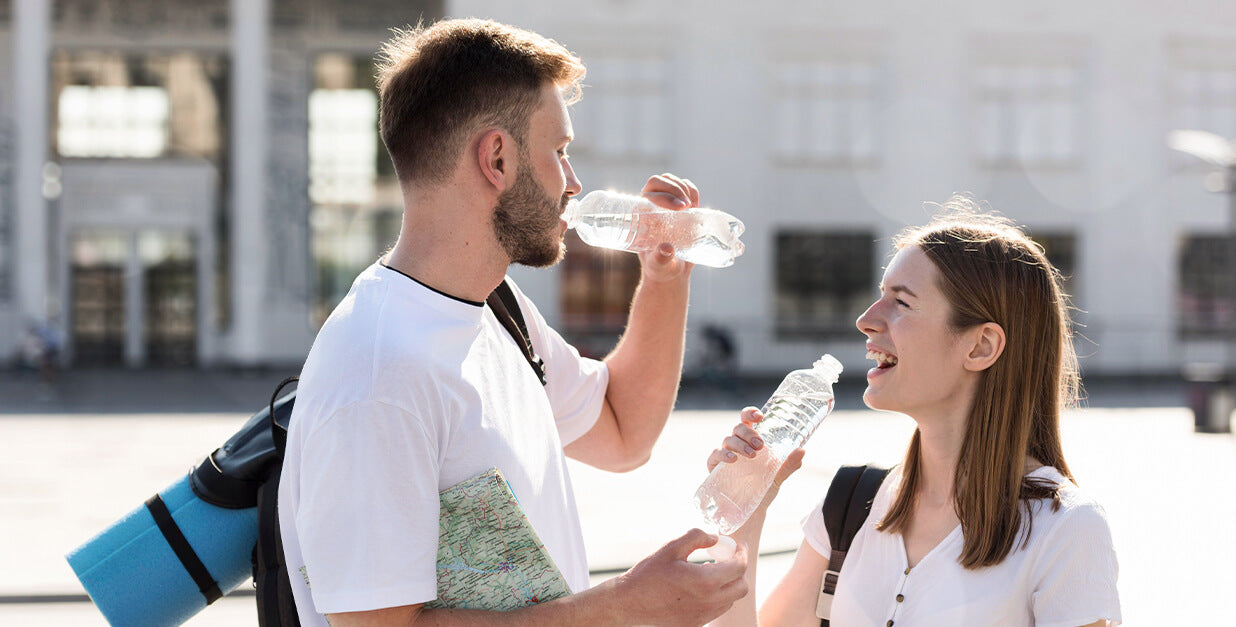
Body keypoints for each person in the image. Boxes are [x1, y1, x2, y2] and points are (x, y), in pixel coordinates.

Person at [278, 18, 746, 627]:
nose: (574, 185)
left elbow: (624, 432)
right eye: (560, 152)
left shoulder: (497, 305)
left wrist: (664, 277)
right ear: (496, 158)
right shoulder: (378, 373)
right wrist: (625, 609)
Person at [706, 198, 1122, 626]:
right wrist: (744, 514)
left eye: (901, 303)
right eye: (879, 296)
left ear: (980, 347)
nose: (866, 320)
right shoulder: (852, 505)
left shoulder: (1065, 530)